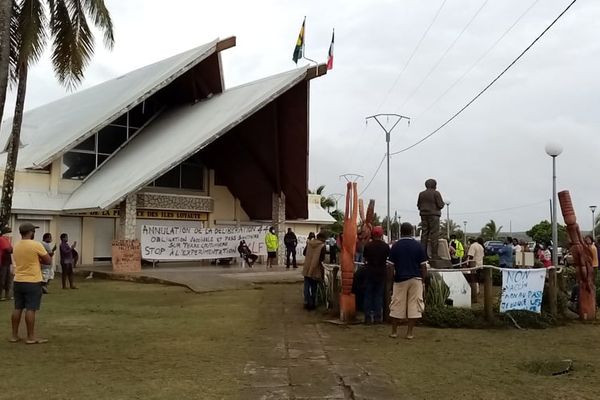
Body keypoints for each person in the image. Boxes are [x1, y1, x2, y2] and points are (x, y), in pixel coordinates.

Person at [10, 222, 52, 344]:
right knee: (31, 308)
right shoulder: (35, 245)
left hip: (18, 280)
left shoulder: (16, 245)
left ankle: (14, 335)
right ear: (30, 232)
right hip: (32, 280)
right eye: (33, 231)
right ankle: (30, 336)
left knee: (17, 307)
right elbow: (48, 260)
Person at [389, 222, 428, 339]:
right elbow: (424, 266)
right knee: (414, 306)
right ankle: (410, 333)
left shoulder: (395, 246)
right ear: (412, 231)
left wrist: (391, 280)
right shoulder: (418, 246)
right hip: (416, 278)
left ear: (401, 231)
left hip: (400, 279)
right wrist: (423, 280)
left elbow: (390, 266)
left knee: (396, 304)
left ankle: (394, 332)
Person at [362, 226, 390, 324]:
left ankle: (368, 317)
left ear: (372, 234)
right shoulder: (385, 246)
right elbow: (387, 259)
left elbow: (365, 259)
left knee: (368, 294)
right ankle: (378, 317)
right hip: (381, 272)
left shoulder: (368, 246)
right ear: (381, 234)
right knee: (378, 295)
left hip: (370, 272)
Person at [417, 179, 444, 260]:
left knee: (424, 234)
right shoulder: (436, 193)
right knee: (434, 234)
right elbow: (440, 205)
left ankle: (422, 254)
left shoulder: (421, 194)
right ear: (434, 185)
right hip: (434, 215)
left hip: (423, 215)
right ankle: (434, 254)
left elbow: (418, 205)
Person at [302, 232, 326, 310]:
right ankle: (312, 303)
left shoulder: (309, 243)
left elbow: (304, 253)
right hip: (315, 268)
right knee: (314, 287)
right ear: (322, 238)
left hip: (307, 267)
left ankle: (306, 302)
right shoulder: (322, 246)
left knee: (306, 286)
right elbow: (322, 259)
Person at [0, 226, 13, 301]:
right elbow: (8, 249)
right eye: (8, 232)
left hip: (7, 262)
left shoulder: (7, 240)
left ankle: (7, 295)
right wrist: (10, 248)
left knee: (8, 279)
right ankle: (1, 295)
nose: (9, 234)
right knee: (2, 279)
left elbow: (12, 249)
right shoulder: (2, 239)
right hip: (3, 262)